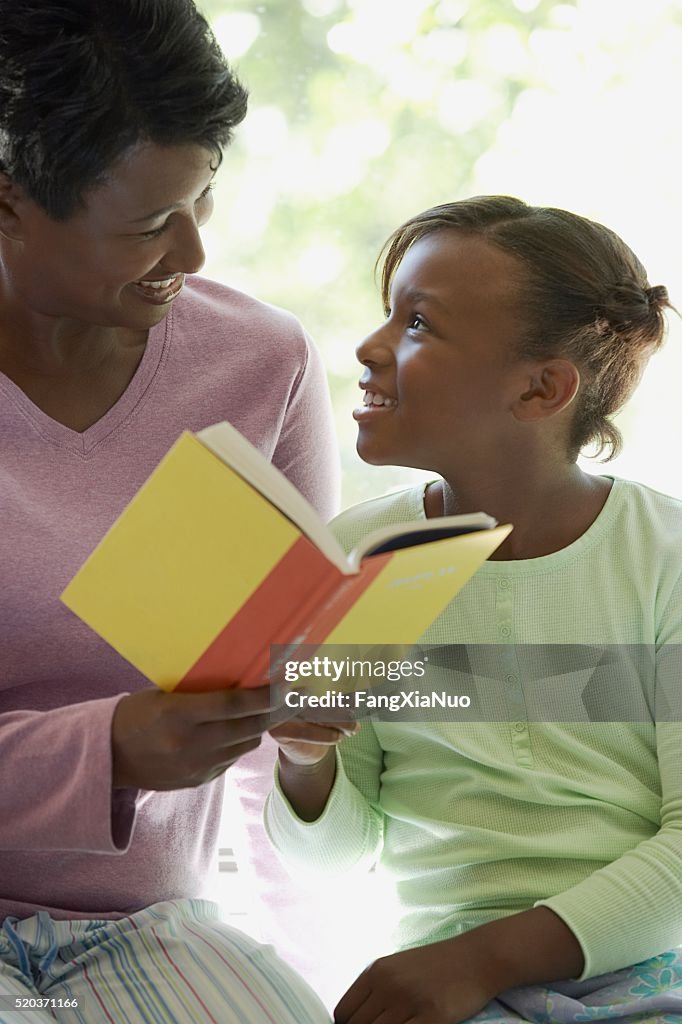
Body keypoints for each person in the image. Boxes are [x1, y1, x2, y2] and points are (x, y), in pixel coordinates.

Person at [265, 196, 682, 1024]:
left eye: (418, 325)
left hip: (647, 971)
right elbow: (335, 858)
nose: (368, 347)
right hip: (440, 989)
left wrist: (478, 961)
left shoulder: (665, 559)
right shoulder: (352, 559)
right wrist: (305, 761)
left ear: (540, 389)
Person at [0, 2, 338, 1022]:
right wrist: (109, 750)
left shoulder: (260, 362)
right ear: (7, 204)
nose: (191, 252)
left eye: (201, 200)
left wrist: (316, 737)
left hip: (152, 921)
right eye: (148, 224)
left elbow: (286, 690)